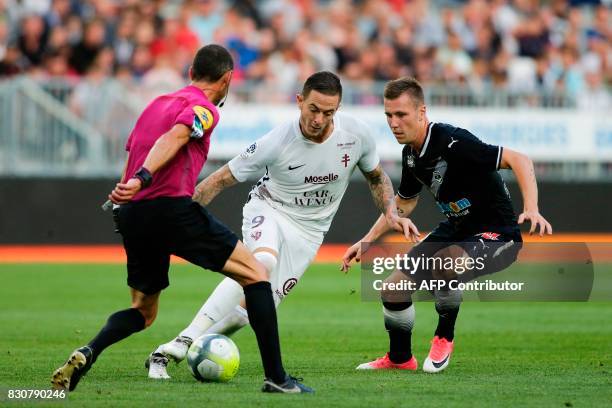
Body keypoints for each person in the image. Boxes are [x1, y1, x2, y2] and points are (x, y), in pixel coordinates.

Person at [51, 44, 312, 394]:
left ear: (190, 73)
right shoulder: (203, 108)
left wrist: (128, 194)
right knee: (257, 275)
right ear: (227, 80)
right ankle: (278, 379)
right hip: (169, 208)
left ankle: (88, 350)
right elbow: (176, 136)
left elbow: (138, 149)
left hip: (132, 214)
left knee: (143, 312)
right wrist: (142, 177)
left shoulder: (154, 105)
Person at [145, 71, 418, 379]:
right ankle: (184, 341)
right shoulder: (277, 140)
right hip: (269, 208)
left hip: (310, 233)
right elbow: (222, 178)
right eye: (313, 109)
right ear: (299, 101)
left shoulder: (357, 135)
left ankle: (176, 347)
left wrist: (391, 212)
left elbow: (377, 177)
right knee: (260, 263)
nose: (319, 119)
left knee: (249, 312)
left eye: (328, 112)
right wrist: (179, 216)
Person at [342, 77, 552, 373]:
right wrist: (367, 241)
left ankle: (444, 336)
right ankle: (400, 359)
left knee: (447, 261)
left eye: (401, 114)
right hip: (456, 229)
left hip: (498, 233)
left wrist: (532, 208)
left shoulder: (454, 142)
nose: (394, 123)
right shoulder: (411, 155)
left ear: (421, 112)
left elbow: (519, 158)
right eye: (388, 115)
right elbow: (403, 202)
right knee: (392, 289)